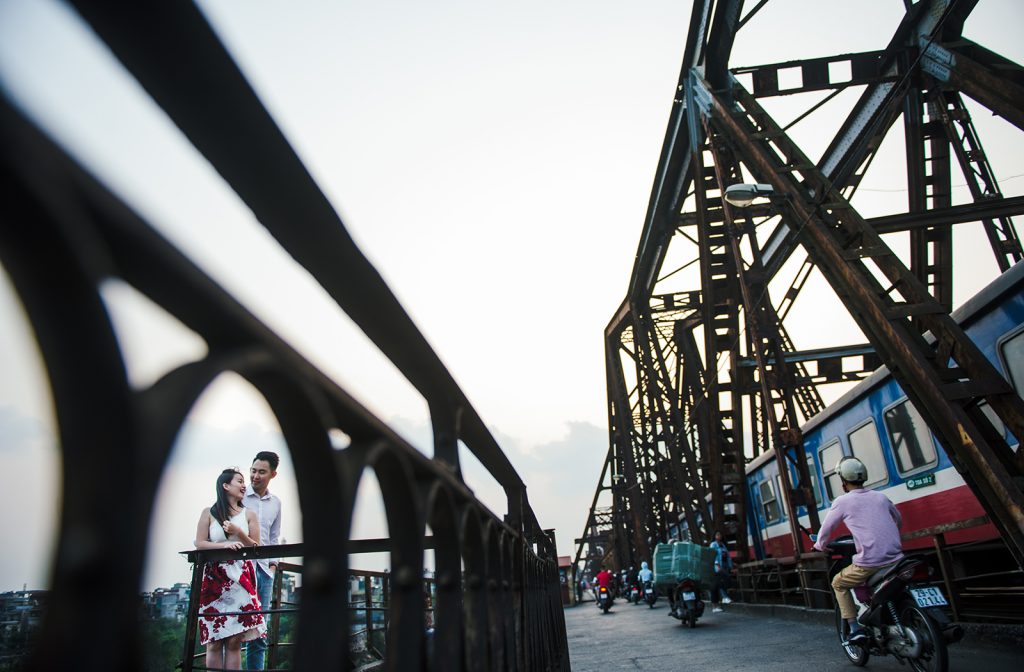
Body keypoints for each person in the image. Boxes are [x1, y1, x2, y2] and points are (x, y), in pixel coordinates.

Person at [813, 456, 903, 645]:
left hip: (871, 562)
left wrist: (820, 545)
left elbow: (827, 529)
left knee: (838, 582)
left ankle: (855, 629)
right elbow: (898, 520)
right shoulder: (881, 497)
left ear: (844, 481)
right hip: (898, 558)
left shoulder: (843, 501)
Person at [194, 468, 266, 670]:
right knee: (214, 640)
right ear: (226, 486)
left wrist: (239, 532)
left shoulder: (248, 514)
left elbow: (257, 547)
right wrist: (223, 545)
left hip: (240, 579)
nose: (244, 485)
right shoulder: (209, 512)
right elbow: (200, 543)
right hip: (213, 580)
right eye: (239, 481)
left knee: (234, 640)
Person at [244, 451, 282, 670]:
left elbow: (274, 536)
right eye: (253, 470)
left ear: (273, 474)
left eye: (261, 472)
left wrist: (274, 564)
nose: (255, 476)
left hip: (265, 573)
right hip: (240, 569)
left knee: (259, 631)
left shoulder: (275, 503)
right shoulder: (239, 495)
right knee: (232, 628)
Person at [709, 531, 733, 612]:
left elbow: (728, 555)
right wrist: (716, 564)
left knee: (725, 581)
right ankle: (725, 597)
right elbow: (712, 555)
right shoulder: (713, 544)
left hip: (725, 565)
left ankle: (725, 597)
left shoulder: (723, 544)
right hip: (718, 566)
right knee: (720, 582)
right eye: (717, 534)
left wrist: (730, 565)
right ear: (714, 536)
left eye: (720, 534)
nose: (719, 536)